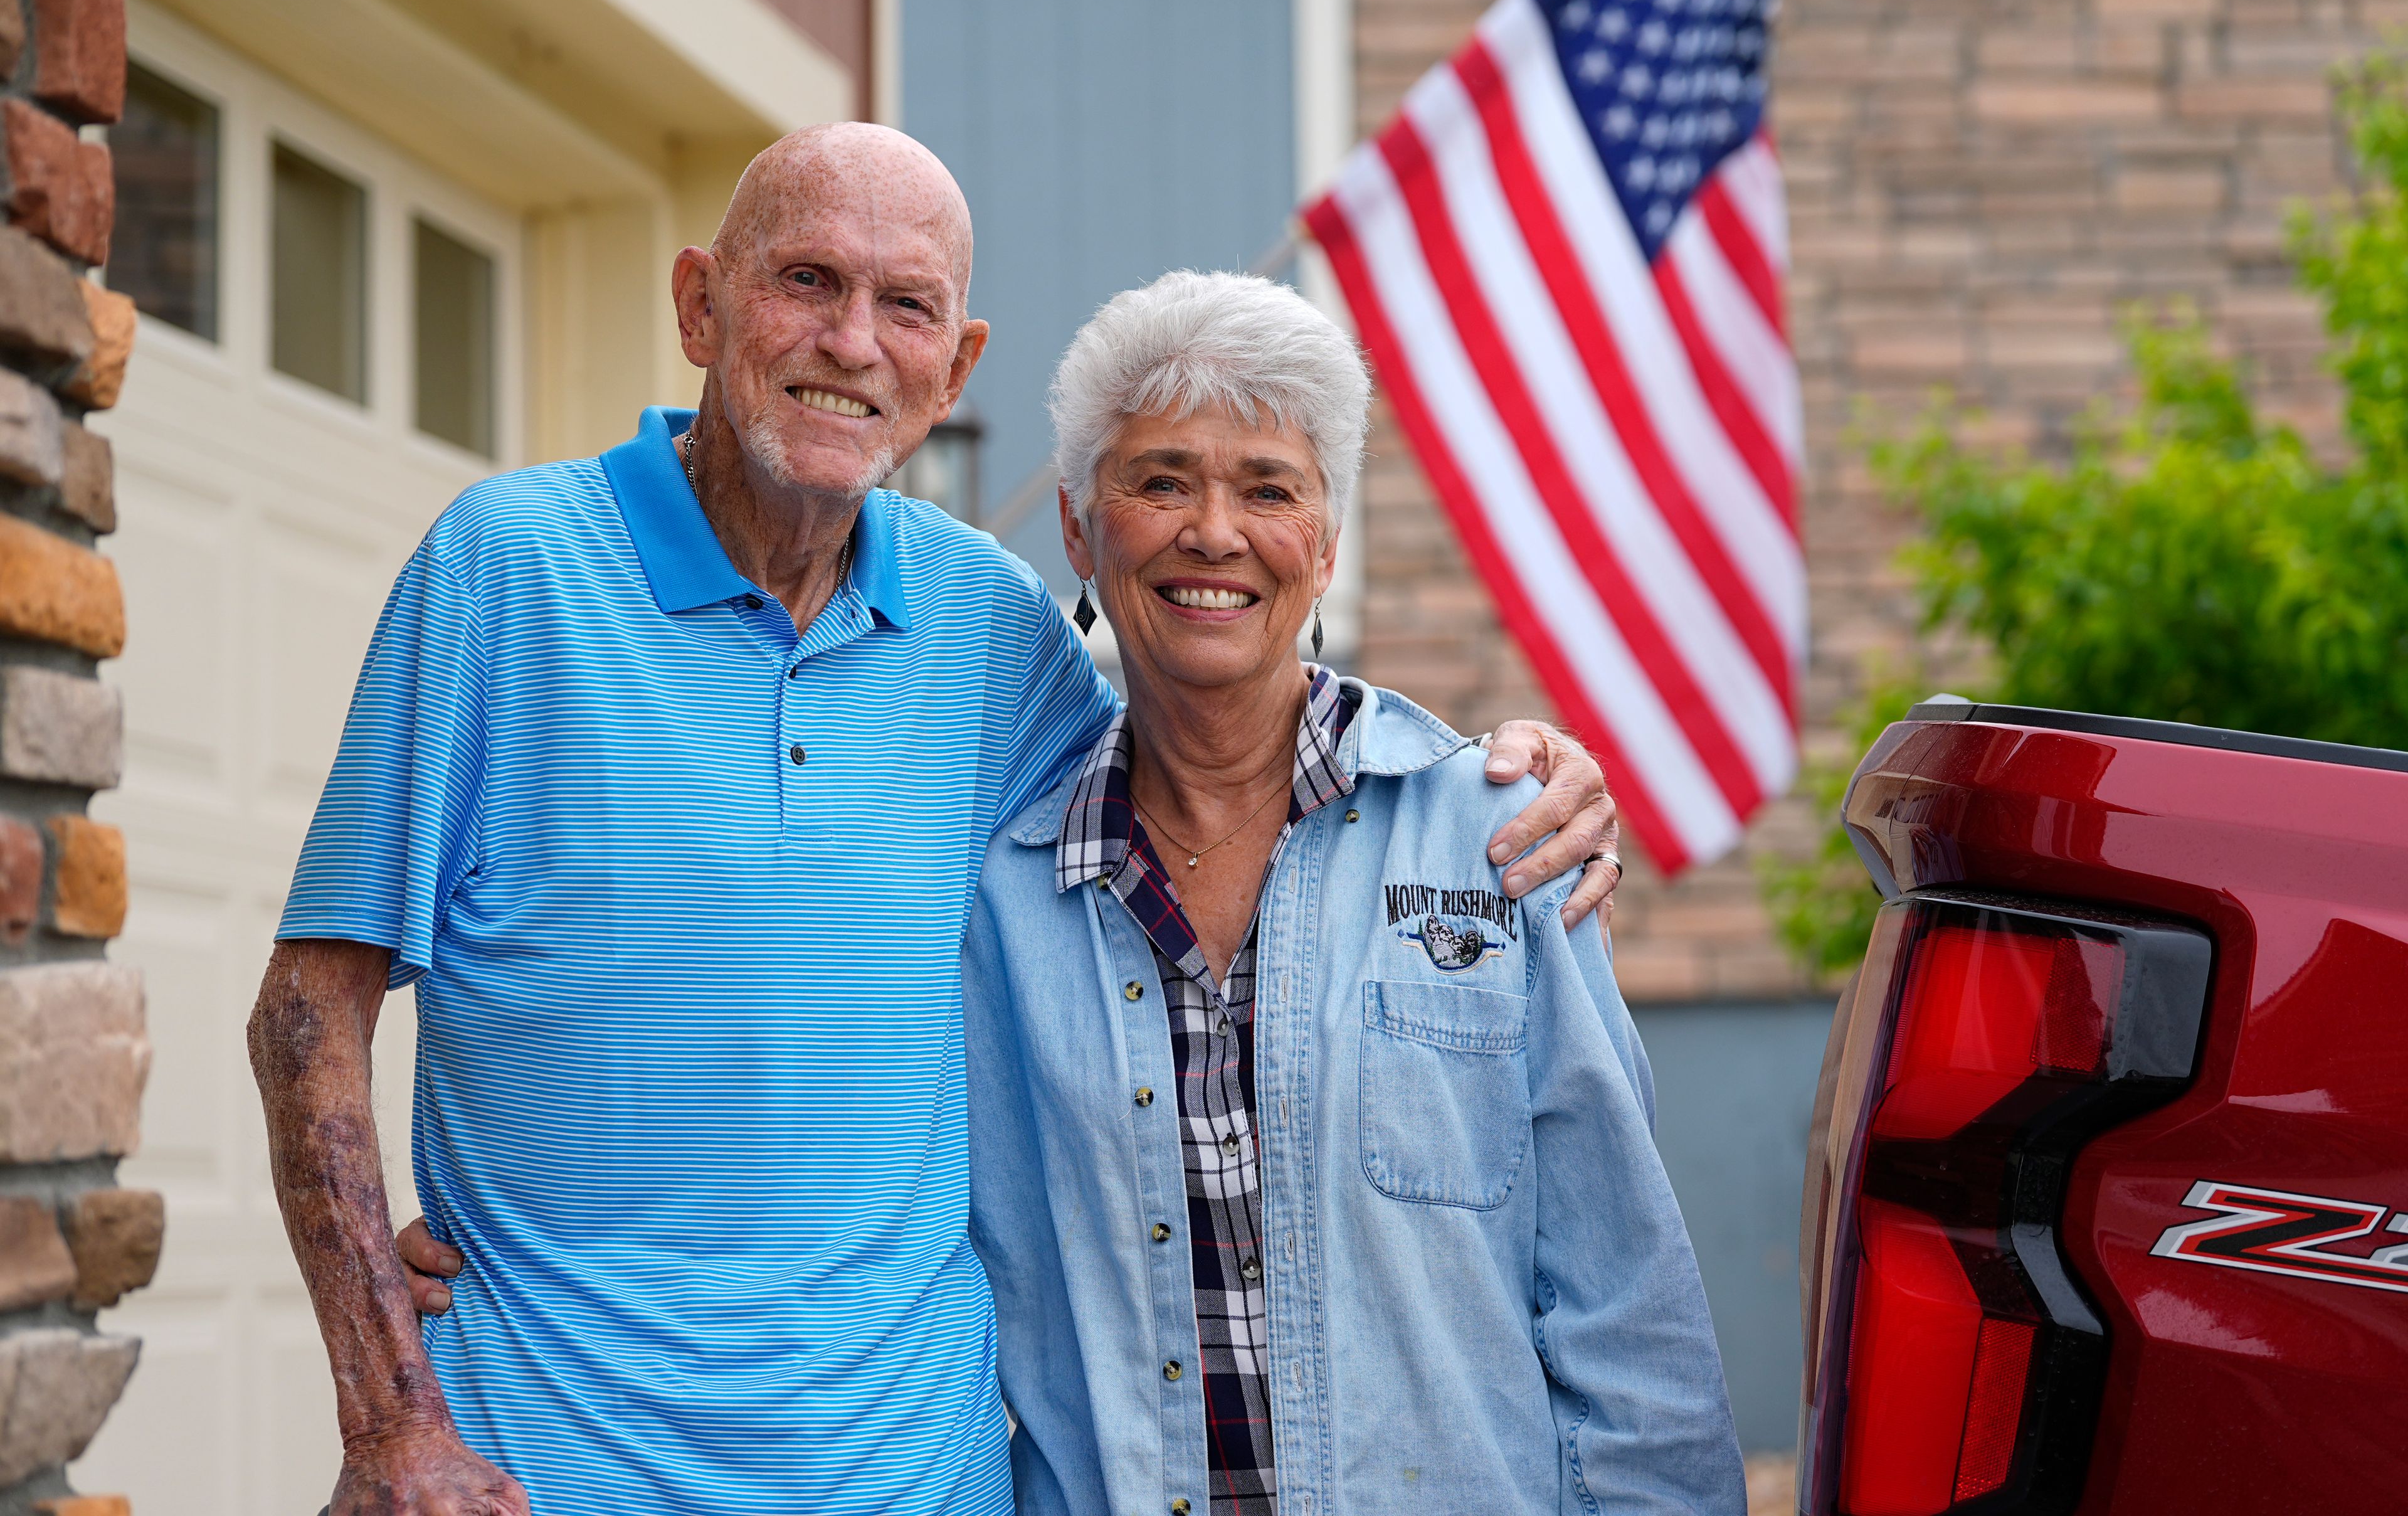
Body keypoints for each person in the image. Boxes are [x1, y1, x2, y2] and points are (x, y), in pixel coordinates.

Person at [253, 124, 1621, 1516]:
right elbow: (304, 1012)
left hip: (918, 1477)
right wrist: (388, 1415)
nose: (853, 341)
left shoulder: (987, 627)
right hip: (547, 1466)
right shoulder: (508, 569)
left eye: (904, 305)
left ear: (953, 366)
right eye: (806, 280)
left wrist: (1491, 778)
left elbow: (1222, 767)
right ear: (699, 305)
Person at [959, 271, 1743, 1513]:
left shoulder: (1500, 839)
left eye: (1268, 486)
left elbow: (1625, 1311)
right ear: (1078, 528)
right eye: (1161, 479)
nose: (1212, 530)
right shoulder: (999, 902)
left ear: (1325, 543)